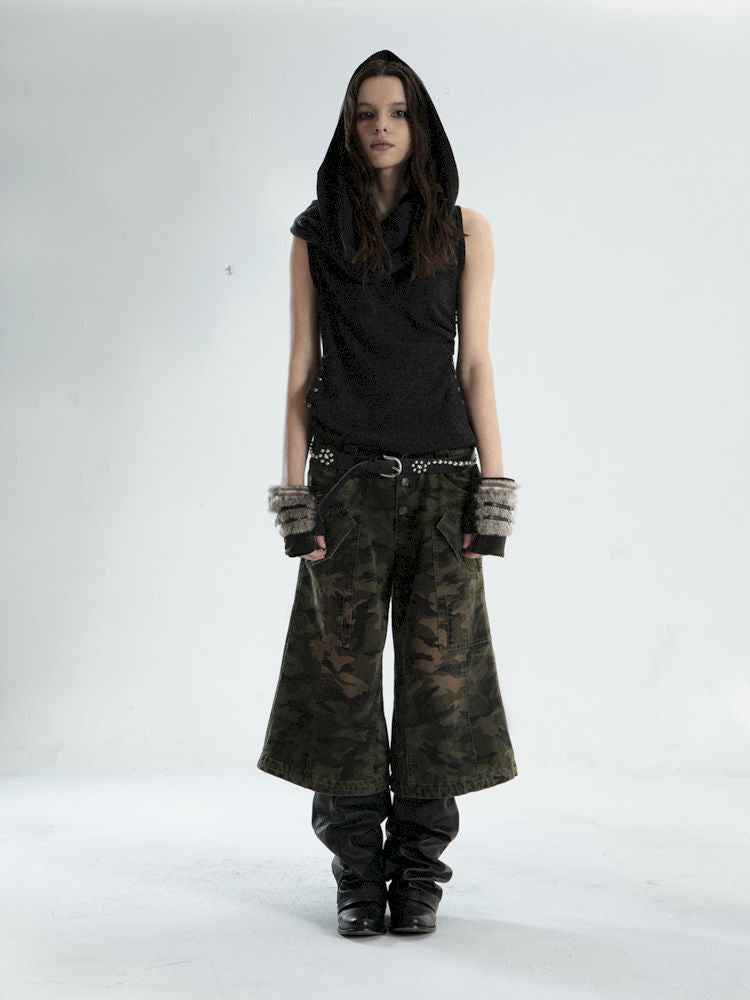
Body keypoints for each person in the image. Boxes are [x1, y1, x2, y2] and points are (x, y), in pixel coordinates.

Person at [259, 49, 520, 938]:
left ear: (420, 123)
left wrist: (493, 492)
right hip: (347, 486)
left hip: (444, 489)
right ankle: (356, 876)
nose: (381, 126)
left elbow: (475, 363)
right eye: (367, 112)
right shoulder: (314, 236)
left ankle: (418, 876)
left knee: (440, 687)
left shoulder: (467, 230)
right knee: (341, 686)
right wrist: (294, 499)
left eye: (397, 111)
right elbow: (301, 371)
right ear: (348, 125)